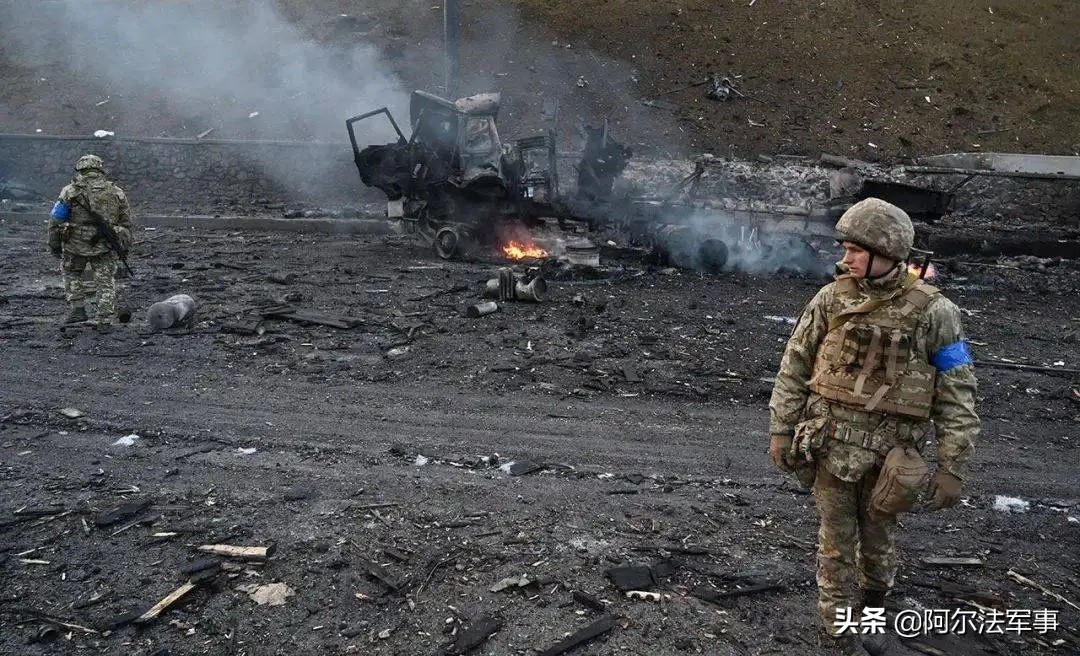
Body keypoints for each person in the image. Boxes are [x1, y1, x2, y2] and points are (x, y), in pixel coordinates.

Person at [767, 198, 979, 653]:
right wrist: (782, 429)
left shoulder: (936, 312)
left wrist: (951, 465)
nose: (845, 259)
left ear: (887, 253)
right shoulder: (831, 298)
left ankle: (873, 611)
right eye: (844, 248)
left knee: (879, 543)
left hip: (893, 456)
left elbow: (957, 391)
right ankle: (839, 628)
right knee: (836, 543)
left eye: (855, 250)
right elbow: (795, 364)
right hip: (830, 444)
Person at [47, 154, 133, 330]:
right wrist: (123, 246)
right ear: (100, 169)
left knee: (72, 273)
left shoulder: (69, 191)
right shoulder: (116, 192)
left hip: (74, 244)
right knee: (105, 280)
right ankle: (105, 319)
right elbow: (126, 223)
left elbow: (55, 221)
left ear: (80, 169)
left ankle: (78, 308)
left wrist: (54, 245)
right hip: (104, 243)